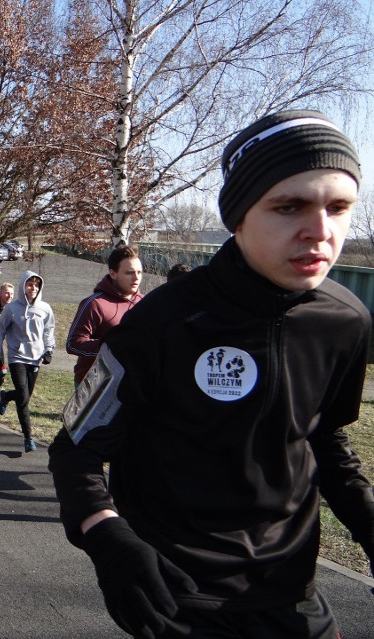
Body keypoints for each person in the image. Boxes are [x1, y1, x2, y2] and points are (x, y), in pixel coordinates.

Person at [49, 110, 374, 639]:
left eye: (339, 208)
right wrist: (107, 535)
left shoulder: (345, 321)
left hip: (291, 590)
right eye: (288, 206)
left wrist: (367, 524)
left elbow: (322, 437)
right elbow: (74, 447)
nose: (320, 231)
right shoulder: (162, 321)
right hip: (180, 594)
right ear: (239, 216)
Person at [0, 271, 54, 453]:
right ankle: (28, 437)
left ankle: (6, 396)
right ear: (23, 286)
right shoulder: (12, 309)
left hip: (36, 358)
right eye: (29, 284)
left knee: (24, 395)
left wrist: (49, 350)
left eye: (36, 285)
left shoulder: (45, 309)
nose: (33, 288)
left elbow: (49, 330)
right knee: (24, 398)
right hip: (16, 356)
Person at [65, 245, 143, 386]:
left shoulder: (144, 303)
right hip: (94, 387)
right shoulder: (95, 303)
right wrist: (111, 346)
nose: (136, 278)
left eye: (139, 272)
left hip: (131, 385)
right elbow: (73, 344)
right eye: (129, 273)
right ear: (113, 273)